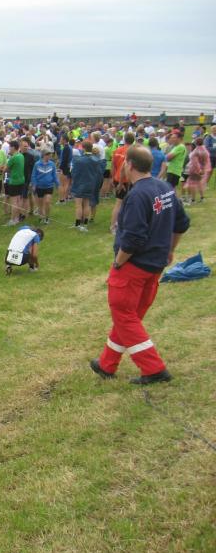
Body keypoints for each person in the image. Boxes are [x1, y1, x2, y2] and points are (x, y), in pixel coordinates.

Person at [90, 145, 190, 385]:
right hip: (155, 266)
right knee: (129, 317)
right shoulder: (165, 188)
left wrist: (118, 262)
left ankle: (154, 369)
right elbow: (181, 223)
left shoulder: (136, 196)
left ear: (129, 165)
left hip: (134, 266)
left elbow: (133, 239)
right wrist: (170, 250)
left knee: (125, 316)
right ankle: (107, 363)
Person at [70, 141, 101, 232]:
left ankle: (78, 224)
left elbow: (73, 172)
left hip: (80, 184)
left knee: (78, 205)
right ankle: (85, 225)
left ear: (83, 148)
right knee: (87, 204)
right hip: (90, 184)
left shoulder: (78, 160)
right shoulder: (96, 160)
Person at [31, 149, 59, 224]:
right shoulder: (37, 164)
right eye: (48, 154)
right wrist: (34, 185)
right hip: (39, 187)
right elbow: (33, 175)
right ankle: (41, 217)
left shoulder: (52, 164)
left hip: (49, 186)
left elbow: (54, 175)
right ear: (43, 155)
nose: (49, 156)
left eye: (50, 154)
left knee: (47, 202)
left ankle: (47, 218)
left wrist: (57, 184)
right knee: (40, 204)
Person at [4, 140, 25, 225]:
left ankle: (13, 220)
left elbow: (5, 169)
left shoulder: (13, 158)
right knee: (18, 200)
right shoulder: (21, 156)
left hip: (14, 181)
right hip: (21, 180)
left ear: (13, 147)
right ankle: (17, 218)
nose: (9, 149)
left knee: (14, 202)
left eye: (10, 147)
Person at [185, 137, 211, 203]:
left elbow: (195, 162)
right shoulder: (205, 150)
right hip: (202, 169)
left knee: (192, 184)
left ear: (196, 143)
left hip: (194, 170)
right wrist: (203, 169)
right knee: (199, 183)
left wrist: (199, 170)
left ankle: (193, 200)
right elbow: (207, 161)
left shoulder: (195, 151)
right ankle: (202, 198)